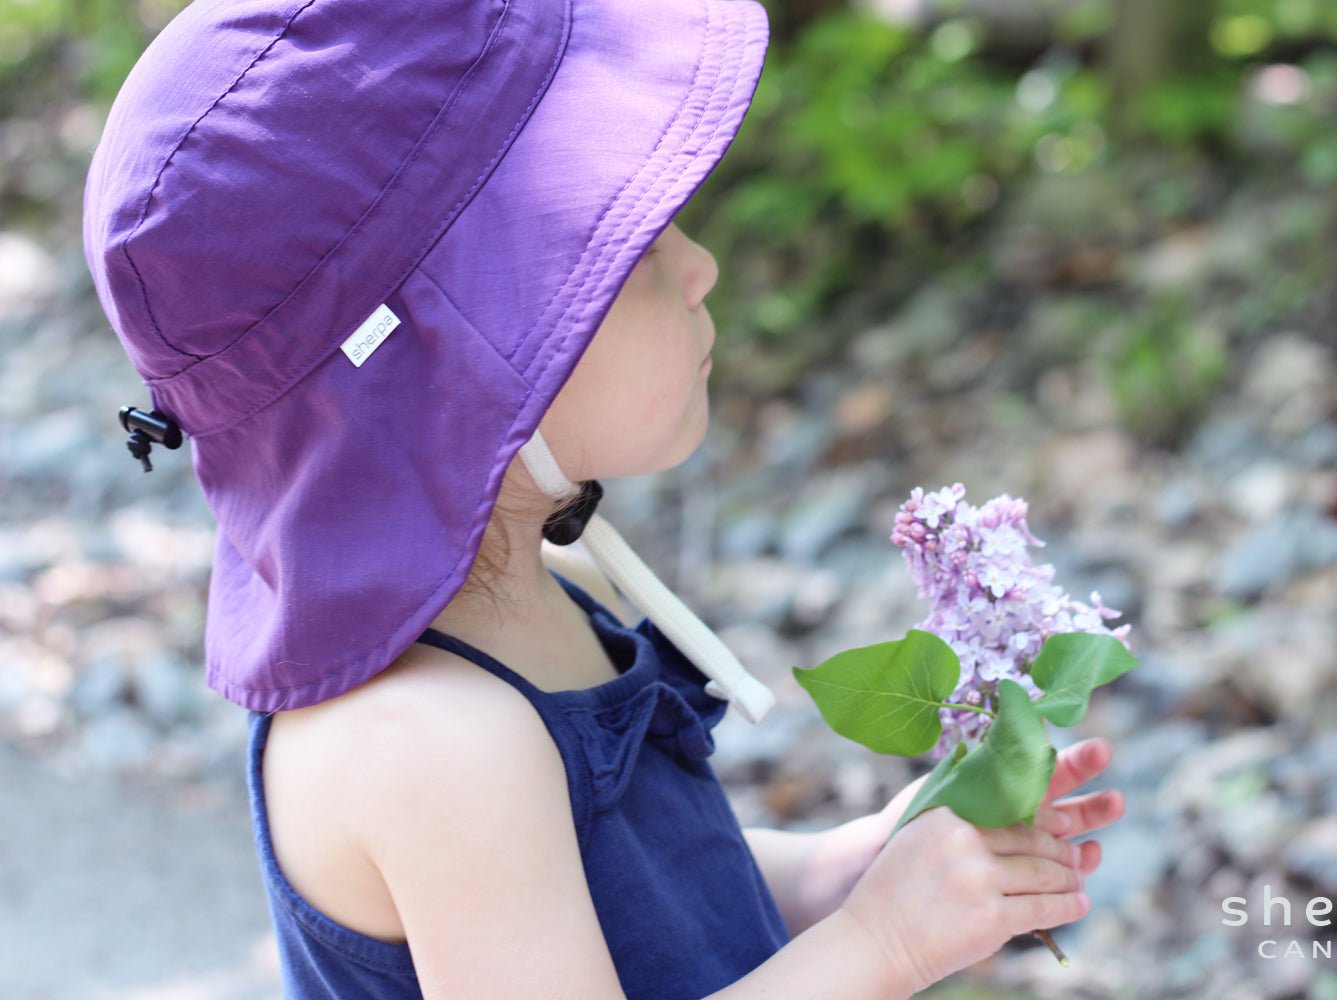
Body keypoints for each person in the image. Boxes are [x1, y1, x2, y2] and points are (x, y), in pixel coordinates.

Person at [82, 0, 1127, 997]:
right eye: (627, 252)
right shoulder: (429, 742)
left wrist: (842, 874)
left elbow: (631, 901)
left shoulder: (524, 594)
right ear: (459, 373)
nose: (703, 266)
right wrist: (881, 944)